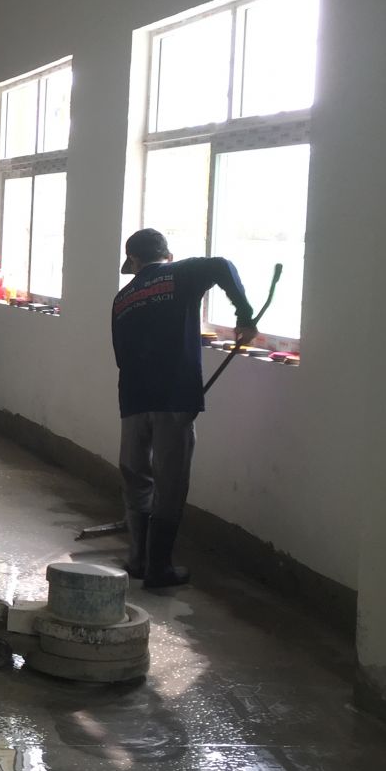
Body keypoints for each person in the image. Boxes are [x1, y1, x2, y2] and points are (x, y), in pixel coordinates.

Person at [111, 228, 256, 589]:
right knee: (170, 482)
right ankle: (159, 568)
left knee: (136, 477)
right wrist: (244, 316)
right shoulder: (180, 273)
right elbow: (221, 265)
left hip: (133, 399)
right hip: (174, 398)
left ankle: (138, 559)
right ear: (168, 255)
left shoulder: (123, 297)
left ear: (134, 261)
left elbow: (121, 354)